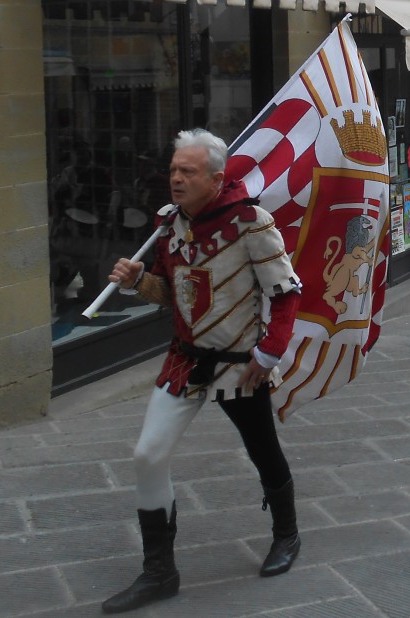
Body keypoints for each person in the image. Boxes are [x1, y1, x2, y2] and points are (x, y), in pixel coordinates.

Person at [102, 129, 303, 614]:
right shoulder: (168, 225)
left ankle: (287, 535)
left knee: (262, 451)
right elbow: (177, 295)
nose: (176, 178)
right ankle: (159, 572)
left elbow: (286, 292)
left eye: (187, 172)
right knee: (148, 454)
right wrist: (138, 283)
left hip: (240, 365)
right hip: (186, 359)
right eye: (173, 170)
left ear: (216, 178)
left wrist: (268, 356)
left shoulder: (251, 222)